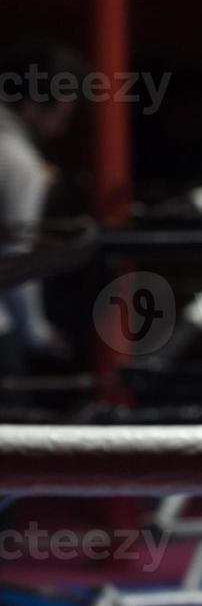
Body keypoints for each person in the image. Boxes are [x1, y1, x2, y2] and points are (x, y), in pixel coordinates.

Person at [0, 41, 82, 394]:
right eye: (60, 117)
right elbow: (18, 257)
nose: (61, 131)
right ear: (33, 107)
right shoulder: (18, 161)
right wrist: (36, 333)